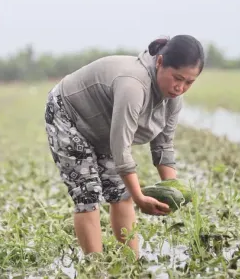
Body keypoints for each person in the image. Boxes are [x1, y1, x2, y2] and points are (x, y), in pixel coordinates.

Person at [43, 34, 205, 258]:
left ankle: (131, 261)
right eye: (177, 78)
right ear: (159, 63)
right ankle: (96, 268)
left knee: (121, 194)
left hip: (102, 125)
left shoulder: (173, 98)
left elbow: (163, 145)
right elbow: (121, 149)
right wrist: (140, 197)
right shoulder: (133, 85)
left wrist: (173, 190)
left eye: (189, 82)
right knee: (88, 195)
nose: (180, 87)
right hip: (68, 114)